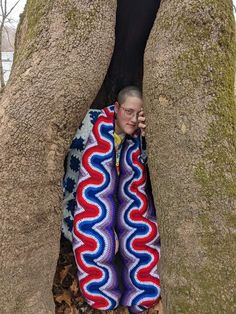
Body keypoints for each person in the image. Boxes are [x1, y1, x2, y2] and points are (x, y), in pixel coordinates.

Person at [62, 86, 160, 313]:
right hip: (82, 210)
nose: (133, 119)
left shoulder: (137, 138)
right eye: (128, 111)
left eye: (139, 114)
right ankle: (103, 296)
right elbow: (75, 186)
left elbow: (142, 182)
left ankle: (137, 293)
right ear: (116, 108)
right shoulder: (90, 128)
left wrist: (146, 142)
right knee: (101, 243)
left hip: (121, 211)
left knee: (141, 239)